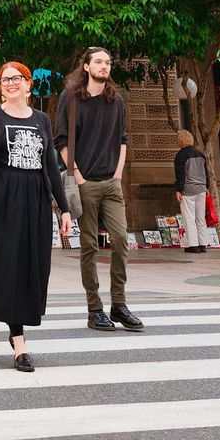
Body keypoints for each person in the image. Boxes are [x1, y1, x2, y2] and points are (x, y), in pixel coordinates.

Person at [0, 61, 72, 371]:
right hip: (3, 199)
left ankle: (21, 324)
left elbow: (51, 167)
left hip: (35, 198)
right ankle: (19, 342)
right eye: (5, 79)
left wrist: (63, 208)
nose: (10, 83)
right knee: (8, 266)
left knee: (34, 266)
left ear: (28, 84)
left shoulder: (41, 120)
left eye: (16, 78)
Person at [53, 46, 143, 332]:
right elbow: (61, 141)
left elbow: (123, 140)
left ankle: (119, 304)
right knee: (89, 246)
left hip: (111, 182)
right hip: (85, 183)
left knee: (120, 239)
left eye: (108, 62)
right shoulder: (71, 98)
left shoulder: (116, 100)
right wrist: (78, 176)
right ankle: (95, 309)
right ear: (87, 67)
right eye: (99, 62)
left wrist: (117, 175)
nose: (105, 66)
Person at [174, 128, 209, 252]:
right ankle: (203, 243)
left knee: (189, 217)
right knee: (200, 218)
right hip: (201, 189)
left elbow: (181, 175)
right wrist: (207, 186)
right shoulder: (200, 154)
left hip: (188, 190)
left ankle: (193, 245)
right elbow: (206, 172)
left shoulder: (181, 155)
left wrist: (178, 189)